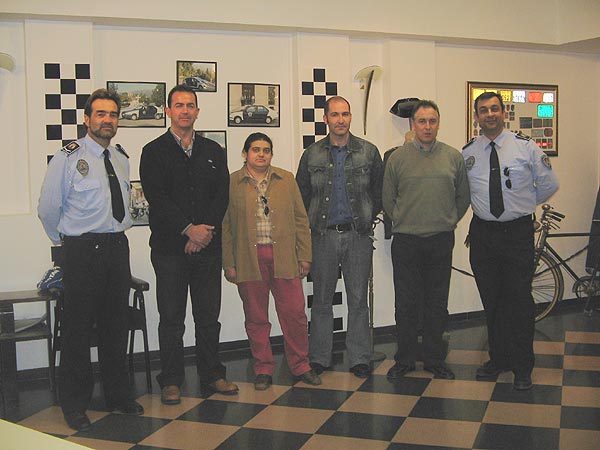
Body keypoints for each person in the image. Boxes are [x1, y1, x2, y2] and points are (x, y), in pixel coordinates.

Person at [38, 88, 144, 431]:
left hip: (116, 248)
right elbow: (48, 208)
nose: (107, 120)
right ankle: (75, 404)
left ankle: (118, 396)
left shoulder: (121, 157)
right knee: (78, 330)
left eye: (113, 114)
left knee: (116, 325)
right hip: (82, 251)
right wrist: (65, 242)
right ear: (87, 119)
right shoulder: (67, 157)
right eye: (100, 114)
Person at [140, 85, 237, 405]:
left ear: (197, 112)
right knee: (171, 318)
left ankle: (213, 374)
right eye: (179, 105)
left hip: (208, 248)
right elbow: (158, 198)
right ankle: (171, 380)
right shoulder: (153, 151)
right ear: (168, 111)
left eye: (190, 105)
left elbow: (221, 195)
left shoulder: (213, 150)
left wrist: (203, 233)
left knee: (209, 317)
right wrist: (187, 230)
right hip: (169, 250)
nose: (185, 110)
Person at [463, 92, 559, 390]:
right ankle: (498, 359)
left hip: (517, 234)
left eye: (494, 109)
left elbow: (548, 185)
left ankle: (522, 367)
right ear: (476, 116)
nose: (489, 114)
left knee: (518, 301)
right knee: (492, 301)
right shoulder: (468, 153)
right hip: (483, 235)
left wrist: (522, 207)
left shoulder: (525, 147)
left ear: (503, 113)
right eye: (483, 110)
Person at [222, 132, 321, 390]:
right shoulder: (232, 183)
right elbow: (226, 227)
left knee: (295, 314)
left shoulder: (286, 179)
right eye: (255, 149)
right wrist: (229, 261)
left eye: (266, 150)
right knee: (256, 317)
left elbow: (301, 219)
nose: (261, 154)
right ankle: (263, 368)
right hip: (249, 258)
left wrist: (305, 255)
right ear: (245, 153)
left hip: (285, 256)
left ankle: (301, 365)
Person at [296, 96, 383, 379]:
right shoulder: (312, 154)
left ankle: (359, 357)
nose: (340, 119)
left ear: (350, 118)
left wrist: (368, 217)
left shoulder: (369, 152)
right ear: (325, 119)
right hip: (322, 237)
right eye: (335, 115)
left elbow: (379, 192)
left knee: (358, 300)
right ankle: (320, 357)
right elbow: (302, 196)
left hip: (357, 236)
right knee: (321, 300)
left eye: (345, 114)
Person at [383, 100, 470, 380]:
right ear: (413, 125)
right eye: (422, 121)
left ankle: (435, 359)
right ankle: (405, 360)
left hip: (440, 240)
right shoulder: (397, 158)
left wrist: (447, 219)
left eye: (432, 121)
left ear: (438, 123)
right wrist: (405, 219)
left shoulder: (453, 157)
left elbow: (463, 197)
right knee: (406, 304)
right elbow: (387, 198)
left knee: (436, 303)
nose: (427, 126)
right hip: (406, 241)